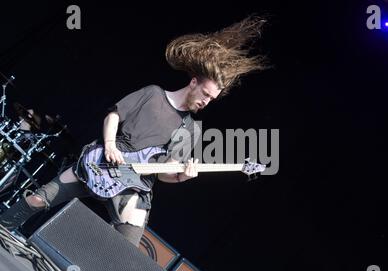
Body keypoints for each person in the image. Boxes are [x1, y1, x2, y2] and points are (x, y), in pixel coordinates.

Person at [0, 15, 269, 247]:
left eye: (212, 99)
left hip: (134, 182)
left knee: (125, 247)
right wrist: (109, 145)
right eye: (206, 94)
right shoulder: (152, 94)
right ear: (194, 81)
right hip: (101, 161)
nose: (206, 102)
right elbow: (114, 114)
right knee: (38, 200)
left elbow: (165, 173)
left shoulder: (191, 129)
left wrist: (182, 177)